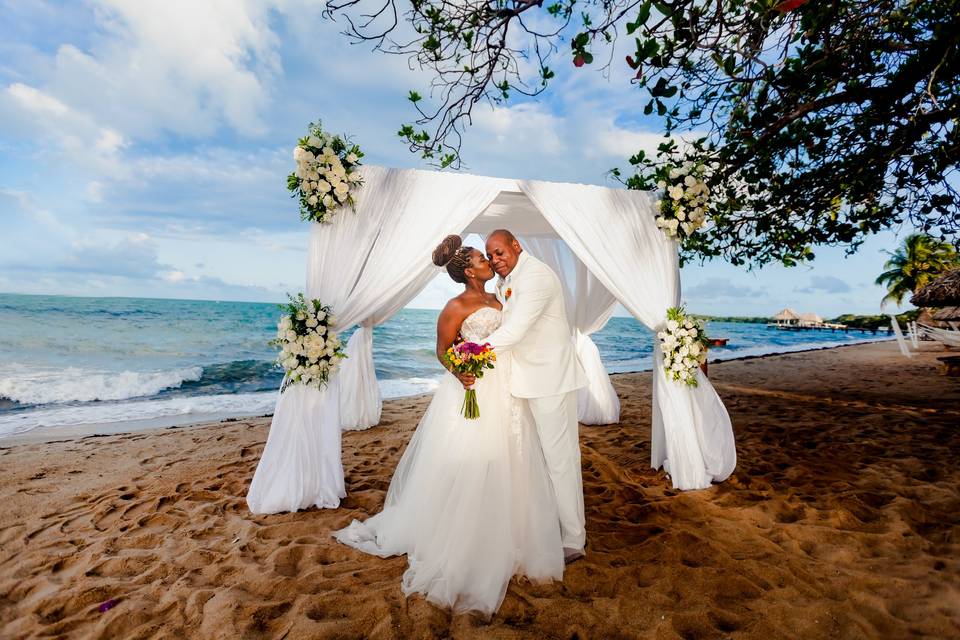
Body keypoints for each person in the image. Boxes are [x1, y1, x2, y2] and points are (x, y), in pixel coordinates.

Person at [333, 234, 563, 617]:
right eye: (482, 258)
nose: (489, 261)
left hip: (508, 385)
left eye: (490, 256)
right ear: (469, 270)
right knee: (474, 455)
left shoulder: (501, 296)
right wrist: (461, 373)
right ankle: (466, 533)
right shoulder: (456, 305)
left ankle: (514, 531)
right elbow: (443, 351)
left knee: (515, 452)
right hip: (475, 390)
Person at [482, 229, 588, 563]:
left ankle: (574, 539)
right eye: (490, 256)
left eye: (500, 252)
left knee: (560, 460)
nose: (496, 260)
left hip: (550, 380)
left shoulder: (538, 275)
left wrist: (471, 351)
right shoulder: (507, 279)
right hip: (522, 380)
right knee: (534, 459)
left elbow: (514, 331)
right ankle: (546, 523)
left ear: (516, 246)